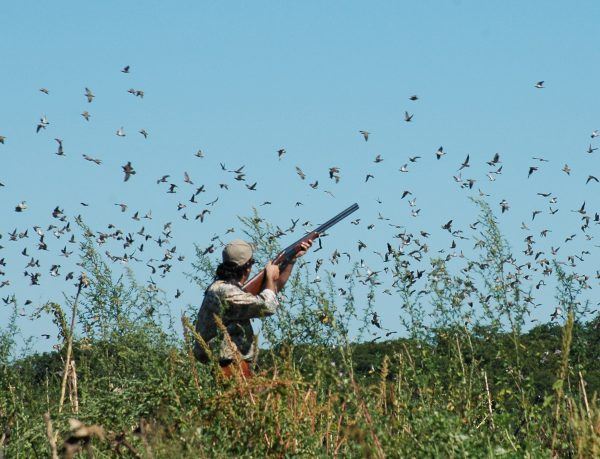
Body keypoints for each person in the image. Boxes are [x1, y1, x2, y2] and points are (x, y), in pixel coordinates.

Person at [194, 239, 312, 378]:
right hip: (230, 368)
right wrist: (269, 278)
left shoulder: (225, 288)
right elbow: (267, 306)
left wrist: (291, 260)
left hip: (234, 366)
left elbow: (271, 293)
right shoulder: (226, 292)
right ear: (247, 267)